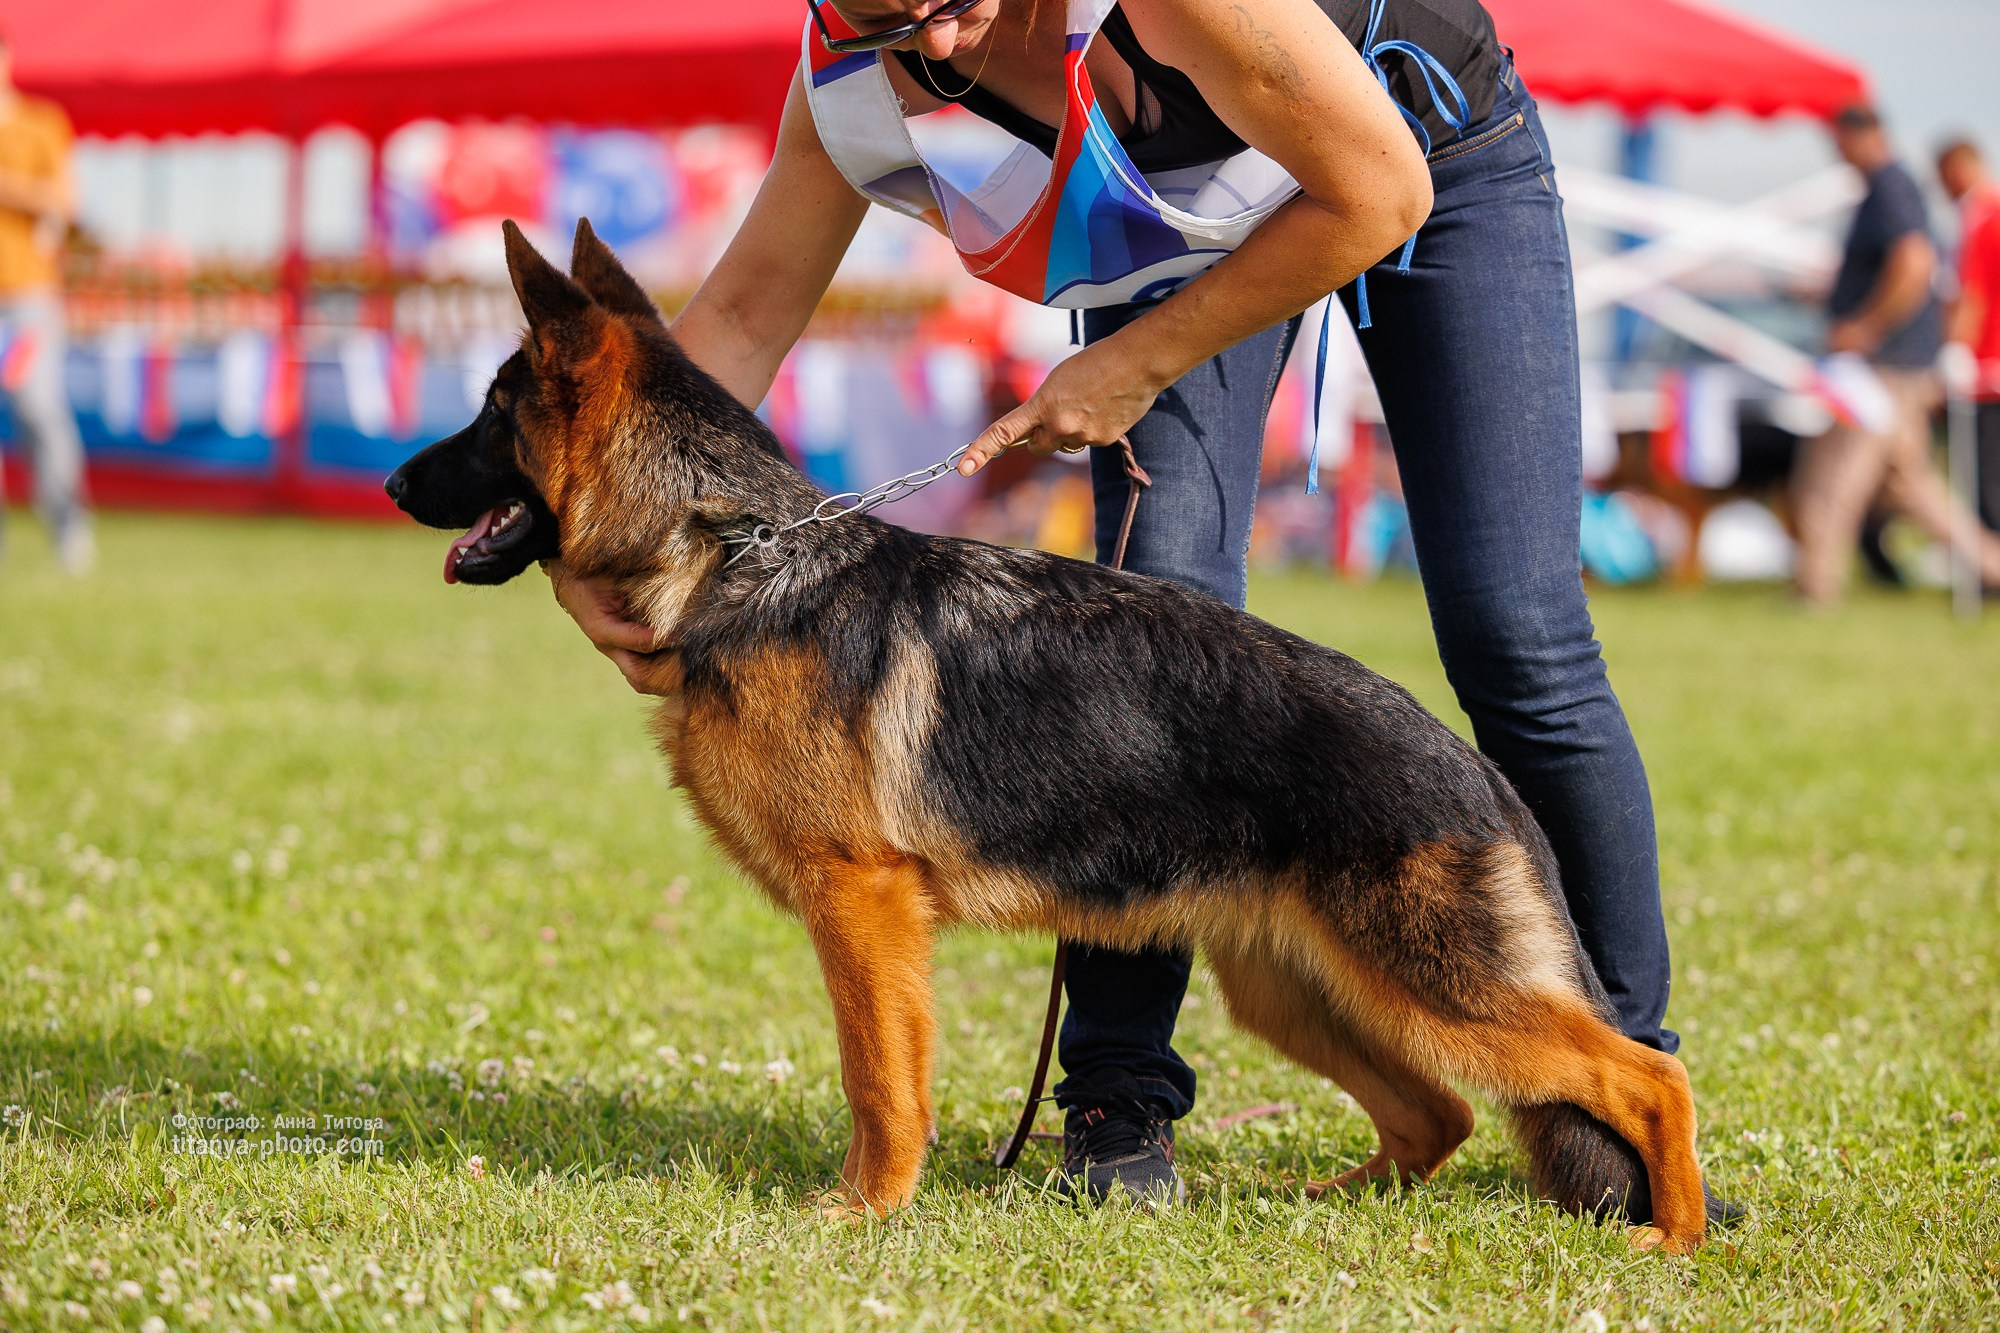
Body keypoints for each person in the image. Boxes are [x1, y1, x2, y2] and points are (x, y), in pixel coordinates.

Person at [551, 0, 1702, 1210]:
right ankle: (1118, 1100)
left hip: (1419, 157)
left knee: (1515, 634)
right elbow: (732, 323)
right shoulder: (846, 67)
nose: (931, 44)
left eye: (950, 5)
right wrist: (611, 545)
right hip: (1182, 216)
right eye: (886, 16)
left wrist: (1135, 359)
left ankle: (1620, 1091)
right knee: (1160, 611)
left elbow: (1375, 193)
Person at [1790, 106, 2000, 605]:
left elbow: (1914, 262)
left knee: (1831, 479)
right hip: (1899, 366)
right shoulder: (1894, 188)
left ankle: (1815, 587)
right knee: (1915, 489)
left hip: (1883, 368)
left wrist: (1864, 327)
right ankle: (1994, 566)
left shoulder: (1890, 187)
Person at [0, 28, 88, 574]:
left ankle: (68, 526)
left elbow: (63, 201)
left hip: (26, 298)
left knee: (37, 409)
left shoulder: (41, 123)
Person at [1938, 136, 2000, 542]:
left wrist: (1955, 346)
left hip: (1984, 372)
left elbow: (1971, 296)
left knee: (1986, 480)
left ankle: (1992, 569)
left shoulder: (1981, 217)